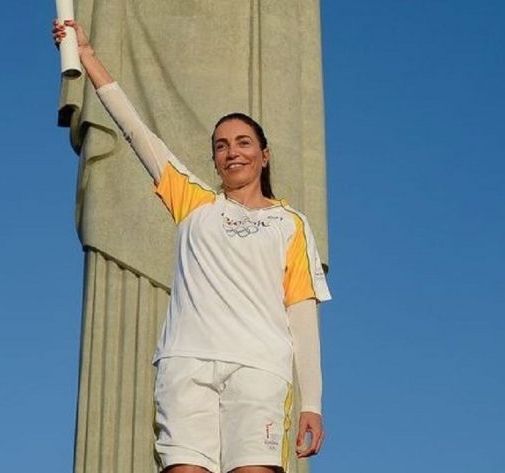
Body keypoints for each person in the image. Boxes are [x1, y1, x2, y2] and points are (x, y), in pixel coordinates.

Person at [54, 19, 331, 473]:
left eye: (243, 142)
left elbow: (302, 315)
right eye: (221, 146)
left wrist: (312, 403)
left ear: (264, 154)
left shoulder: (289, 224)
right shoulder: (194, 203)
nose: (232, 152)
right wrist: (86, 56)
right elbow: (135, 130)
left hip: (258, 370)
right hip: (187, 364)